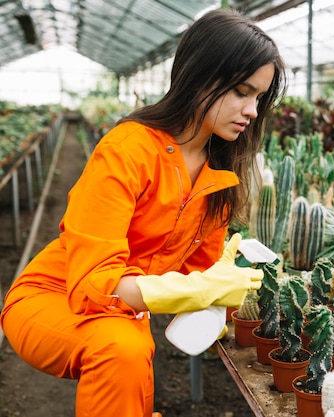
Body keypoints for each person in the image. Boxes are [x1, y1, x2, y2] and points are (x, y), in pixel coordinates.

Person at [1, 8, 286, 417]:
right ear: (200, 76)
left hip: (124, 313)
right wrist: (196, 289)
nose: (253, 111)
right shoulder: (127, 150)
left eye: (259, 97)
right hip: (54, 297)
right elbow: (93, 287)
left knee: (131, 355)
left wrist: (220, 293)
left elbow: (199, 278)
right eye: (241, 91)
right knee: (124, 347)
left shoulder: (218, 177)